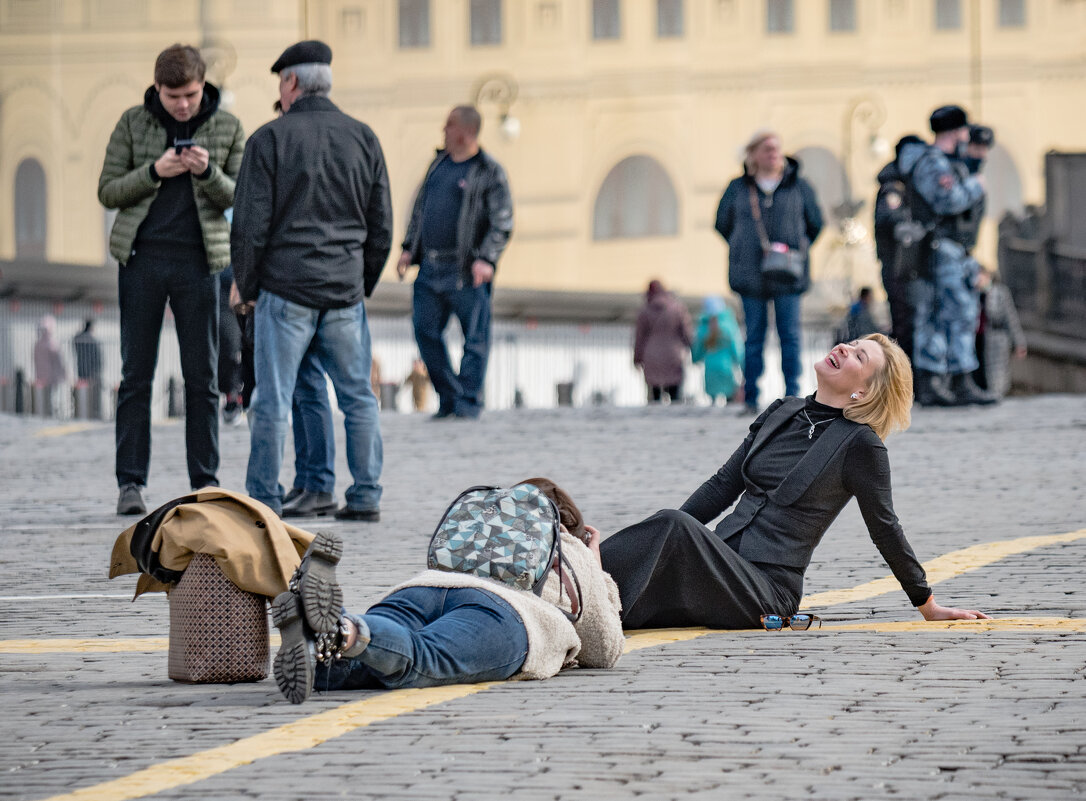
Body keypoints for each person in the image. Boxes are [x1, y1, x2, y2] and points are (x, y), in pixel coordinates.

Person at [599, 333, 990, 630]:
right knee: (646, 587)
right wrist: (661, 545)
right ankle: (572, 599)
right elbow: (721, 487)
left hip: (766, 591)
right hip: (719, 563)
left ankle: (585, 574)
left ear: (863, 391)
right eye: (850, 343)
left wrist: (927, 604)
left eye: (858, 355)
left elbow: (885, 528)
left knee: (673, 526)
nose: (843, 348)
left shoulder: (860, 446)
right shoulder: (782, 411)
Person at [271, 478, 624, 704]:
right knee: (423, 657)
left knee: (361, 666)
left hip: (422, 588)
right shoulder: (565, 545)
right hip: (505, 611)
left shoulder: (484, 527)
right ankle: (341, 630)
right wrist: (596, 564)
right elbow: (605, 648)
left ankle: (318, 638)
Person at [232, 40, 392, 521]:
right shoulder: (363, 137)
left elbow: (249, 226)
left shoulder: (268, 140)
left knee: (273, 400)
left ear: (291, 83)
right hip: (342, 291)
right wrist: (358, 283)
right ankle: (363, 495)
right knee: (358, 398)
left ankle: (263, 497)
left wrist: (249, 285)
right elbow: (380, 223)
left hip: (286, 291)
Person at [98, 44, 246, 516]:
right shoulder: (132, 123)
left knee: (202, 377)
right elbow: (108, 190)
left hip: (201, 264)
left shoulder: (227, 126)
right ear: (156, 88)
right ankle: (130, 483)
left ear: (204, 86)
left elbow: (241, 196)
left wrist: (207, 172)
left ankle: (205, 482)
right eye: (173, 95)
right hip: (140, 260)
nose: (182, 104)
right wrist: (153, 172)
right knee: (135, 376)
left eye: (191, 94)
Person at [396, 105, 514, 420]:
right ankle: (449, 394)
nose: (443, 130)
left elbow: (501, 221)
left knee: (475, 339)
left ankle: (468, 402)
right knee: (425, 331)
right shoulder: (438, 165)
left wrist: (486, 259)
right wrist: (409, 249)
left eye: (448, 125)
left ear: (464, 131)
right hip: (431, 268)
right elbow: (421, 210)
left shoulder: (488, 171)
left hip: (466, 271)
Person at [715, 130, 824, 415]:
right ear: (753, 155)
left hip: (788, 275)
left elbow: (816, 223)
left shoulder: (799, 187)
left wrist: (795, 247)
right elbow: (721, 223)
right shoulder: (738, 188)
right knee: (754, 337)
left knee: (790, 335)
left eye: (776, 148)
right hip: (750, 275)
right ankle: (751, 396)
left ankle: (792, 397)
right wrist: (744, 247)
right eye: (766, 149)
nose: (773, 153)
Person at [899, 105, 994, 407]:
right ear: (956, 131)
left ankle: (959, 378)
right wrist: (974, 187)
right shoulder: (932, 163)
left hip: (955, 250)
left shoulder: (949, 163)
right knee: (941, 315)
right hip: (942, 249)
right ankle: (934, 382)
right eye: (965, 130)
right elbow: (947, 201)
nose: (968, 137)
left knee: (960, 314)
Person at [873, 135, 925, 363]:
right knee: (904, 323)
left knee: (911, 321)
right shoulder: (893, 186)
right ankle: (906, 380)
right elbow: (890, 218)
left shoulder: (908, 183)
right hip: (898, 266)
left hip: (908, 265)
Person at [633, 279, 693, 404]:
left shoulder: (644, 311)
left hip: (651, 357)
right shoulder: (677, 309)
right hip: (673, 355)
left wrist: (637, 358)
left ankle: (653, 417)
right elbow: (687, 333)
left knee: (654, 396)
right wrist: (692, 349)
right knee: (675, 395)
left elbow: (639, 338)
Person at [973, 267, 1027, 398]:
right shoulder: (971, 294)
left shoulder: (1000, 292)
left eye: (982, 275)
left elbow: (1011, 318)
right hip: (976, 339)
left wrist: (1019, 343)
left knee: (997, 372)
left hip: (996, 339)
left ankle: (995, 395)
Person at [691, 296, 743, 406]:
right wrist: (740, 362)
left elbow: (697, 348)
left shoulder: (703, 327)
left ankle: (713, 411)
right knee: (730, 396)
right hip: (726, 367)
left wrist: (695, 359)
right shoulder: (729, 325)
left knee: (712, 397)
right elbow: (737, 347)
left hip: (710, 367)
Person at [33, 315, 66, 417]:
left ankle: (44, 414)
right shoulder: (52, 344)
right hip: (53, 377)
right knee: (54, 398)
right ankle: (53, 415)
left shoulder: (37, 345)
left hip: (41, 376)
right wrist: (64, 373)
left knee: (44, 398)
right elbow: (59, 361)